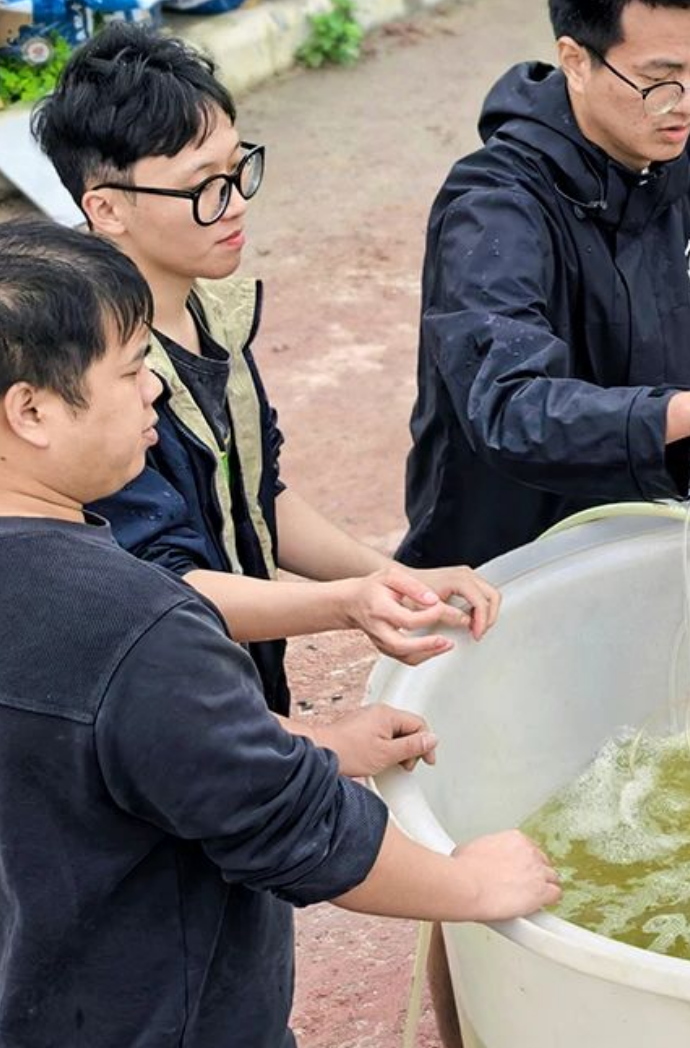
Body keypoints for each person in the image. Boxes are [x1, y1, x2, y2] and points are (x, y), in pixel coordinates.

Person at [0, 218, 560, 1048]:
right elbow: (297, 829)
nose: (153, 391)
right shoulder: (138, 623)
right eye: (129, 373)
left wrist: (311, 741)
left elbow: (99, 750)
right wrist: (469, 885)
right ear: (33, 410)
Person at [32, 23, 500, 777]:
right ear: (108, 208)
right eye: (202, 187)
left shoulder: (211, 309)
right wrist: (347, 604)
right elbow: (158, 586)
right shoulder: (95, 378)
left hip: (233, 678)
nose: (235, 203)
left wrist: (386, 578)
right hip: (161, 709)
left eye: (238, 168)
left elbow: (257, 493)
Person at [400, 0, 690, 571]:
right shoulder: (495, 208)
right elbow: (509, 406)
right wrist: (681, 413)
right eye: (659, 81)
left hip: (645, 532)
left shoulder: (688, 168)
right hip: (505, 557)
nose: (685, 104)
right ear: (576, 61)